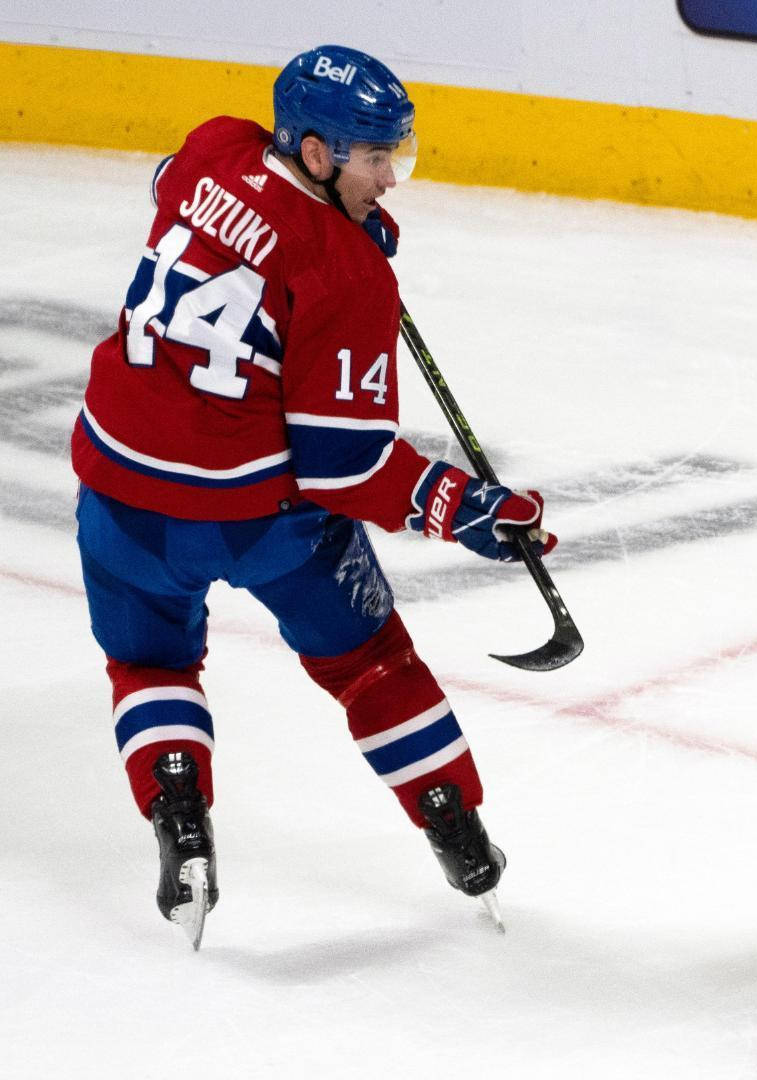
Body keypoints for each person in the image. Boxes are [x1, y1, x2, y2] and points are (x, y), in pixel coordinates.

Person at [71, 44, 555, 947]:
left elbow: (171, 185)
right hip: (259, 521)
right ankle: (457, 827)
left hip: (120, 494)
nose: (391, 180)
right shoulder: (348, 273)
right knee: (372, 662)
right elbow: (345, 468)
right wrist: (470, 510)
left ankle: (181, 817)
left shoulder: (216, 146)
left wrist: (310, 225)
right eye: (376, 160)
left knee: (152, 667)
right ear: (320, 154)